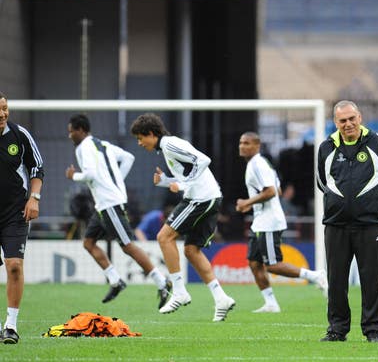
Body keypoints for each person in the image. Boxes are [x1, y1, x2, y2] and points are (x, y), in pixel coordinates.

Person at [130, 113, 236, 321]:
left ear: (151, 134)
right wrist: (164, 181)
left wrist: (184, 185)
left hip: (200, 198)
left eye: (140, 138)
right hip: (210, 196)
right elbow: (187, 174)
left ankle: (179, 292)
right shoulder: (167, 148)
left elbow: (203, 160)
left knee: (164, 237)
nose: (140, 143)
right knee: (191, 250)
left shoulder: (170, 144)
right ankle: (221, 298)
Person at [65, 114, 171, 308]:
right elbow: (128, 157)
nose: (70, 135)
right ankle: (115, 280)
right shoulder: (101, 144)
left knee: (127, 245)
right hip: (103, 204)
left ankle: (162, 282)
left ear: (80, 130)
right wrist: (117, 182)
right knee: (88, 243)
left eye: (71, 131)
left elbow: (90, 174)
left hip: (109, 203)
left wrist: (74, 176)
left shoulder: (84, 147)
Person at [317, 100, 378, 343]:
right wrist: (339, 202)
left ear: (360, 117)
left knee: (371, 279)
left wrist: (367, 200)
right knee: (336, 280)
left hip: (369, 223)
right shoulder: (326, 147)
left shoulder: (377, 142)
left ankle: (373, 331)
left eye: (352, 118)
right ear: (336, 122)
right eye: (343, 120)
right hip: (336, 224)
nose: (348, 124)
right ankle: (337, 330)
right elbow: (322, 181)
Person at [235, 132, 327, 313]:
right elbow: (277, 187)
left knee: (272, 265)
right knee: (254, 263)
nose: (242, 146)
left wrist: (247, 202)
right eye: (241, 143)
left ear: (257, 146)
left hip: (269, 222)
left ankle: (316, 276)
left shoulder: (258, 164)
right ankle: (270, 303)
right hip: (260, 221)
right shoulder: (261, 164)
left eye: (247, 143)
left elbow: (271, 192)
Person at [0, 92, 44, 344]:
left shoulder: (20, 135)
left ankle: (11, 325)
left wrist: (34, 198)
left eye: (5, 108)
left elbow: (37, 167)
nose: (2, 114)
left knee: (14, 265)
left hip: (15, 212)